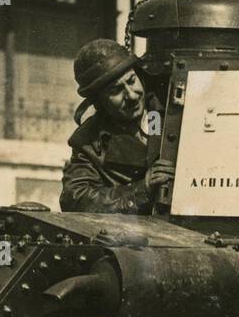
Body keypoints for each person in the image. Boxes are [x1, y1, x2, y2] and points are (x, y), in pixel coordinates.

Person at [59, 38, 174, 214]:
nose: (132, 96)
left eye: (131, 81)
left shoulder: (163, 111)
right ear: (99, 101)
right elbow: (75, 198)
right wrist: (141, 189)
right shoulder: (89, 141)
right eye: (116, 90)